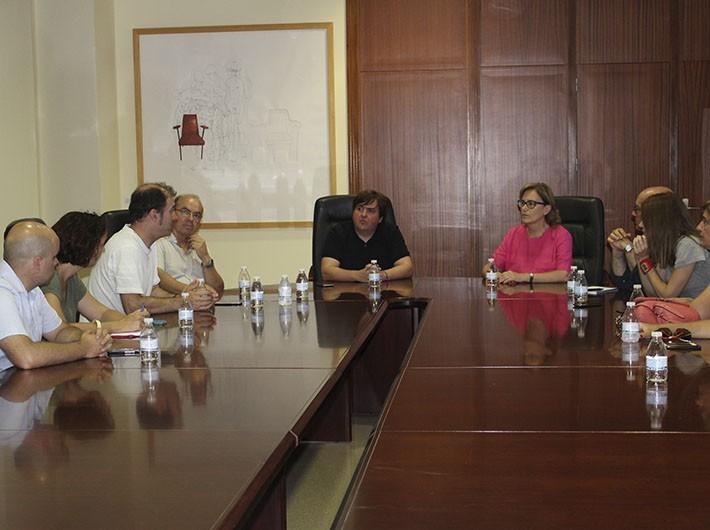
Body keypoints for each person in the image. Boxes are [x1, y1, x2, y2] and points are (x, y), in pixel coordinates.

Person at [0, 221, 112, 370]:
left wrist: (91, 339)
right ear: (38, 262)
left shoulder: (33, 290)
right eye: (53, 257)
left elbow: (59, 332)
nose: (57, 263)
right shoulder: (2, 292)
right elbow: (26, 357)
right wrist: (83, 348)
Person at [88, 184, 214, 314]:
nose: (175, 217)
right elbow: (133, 305)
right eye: (171, 211)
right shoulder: (127, 247)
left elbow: (153, 291)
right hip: (105, 326)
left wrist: (190, 297)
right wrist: (183, 302)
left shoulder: (149, 244)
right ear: (154, 215)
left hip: (130, 324)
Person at [41, 212, 146, 333]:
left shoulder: (71, 278)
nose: (103, 250)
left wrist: (129, 320)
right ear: (86, 246)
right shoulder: (49, 279)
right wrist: (118, 326)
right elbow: (61, 329)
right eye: (101, 245)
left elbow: (101, 313)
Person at [483, 182, 572, 284]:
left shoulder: (561, 235)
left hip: (548, 293)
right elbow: (489, 267)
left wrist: (523, 277)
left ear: (546, 209)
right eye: (522, 203)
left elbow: (563, 274)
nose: (524, 209)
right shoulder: (513, 234)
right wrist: (495, 274)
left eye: (530, 204)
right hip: (514, 293)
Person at [321, 190, 413, 282]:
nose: (363, 215)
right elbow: (326, 271)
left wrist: (382, 275)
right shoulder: (338, 232)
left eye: (370, 211)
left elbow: (407, 268)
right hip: (345, 290)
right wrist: (357, 276)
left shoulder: (390, 232)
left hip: (383, 289)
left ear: (380, 218)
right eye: (359, 209)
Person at [632, 192, 710, 298]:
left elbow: (668, 296)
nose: (641, 225)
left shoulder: (688, 244)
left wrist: (646, 261)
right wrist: (641, 258)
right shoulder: (668, 245)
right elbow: (653, 294)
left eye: (646, 220)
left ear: (660, 223)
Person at [154, 194, 224, 298]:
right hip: (173, 304)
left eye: (196, 215)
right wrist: (190, 291)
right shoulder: (159, 242)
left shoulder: (199, 246)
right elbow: (159, 278)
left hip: (200, 304)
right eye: (185, 212)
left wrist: (206, 258)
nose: (190, 219)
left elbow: (218, 291)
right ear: (173, 213)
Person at [607, 185, 672, 291]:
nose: (633, 214)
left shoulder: (673, 244)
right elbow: (624, 284)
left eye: (637, 209)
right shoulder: (644, 237)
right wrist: (617, 253)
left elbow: (648, 289)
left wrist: (630, 250)